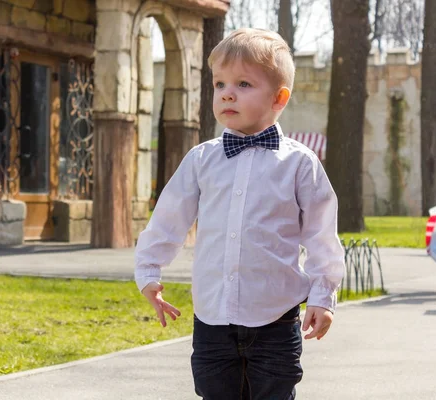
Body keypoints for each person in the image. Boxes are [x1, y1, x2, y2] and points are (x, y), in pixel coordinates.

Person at [134, 28, 345, 399]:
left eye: (244, 84)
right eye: (219, 84)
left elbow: (321, 233)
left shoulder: (299, 164)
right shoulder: (202, 159)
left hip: (276, 320)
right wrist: (149, 271)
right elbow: (169, 218)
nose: (227, 93)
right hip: (212, 319)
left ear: (279, 98)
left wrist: (322, 296)